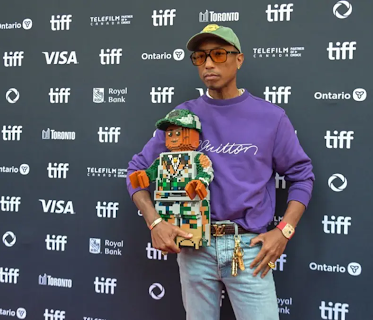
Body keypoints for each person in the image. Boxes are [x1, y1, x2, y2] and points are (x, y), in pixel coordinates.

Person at [126, 24, 315, 320]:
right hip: (192, 246)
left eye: (218, 54)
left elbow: (302, 175)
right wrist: (154, 222)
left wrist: (284, 231)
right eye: (200, 57)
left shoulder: (271, 117)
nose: (209, 63)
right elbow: (137, 171)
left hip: (249, 249)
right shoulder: (182, 118)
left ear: (238, 59)